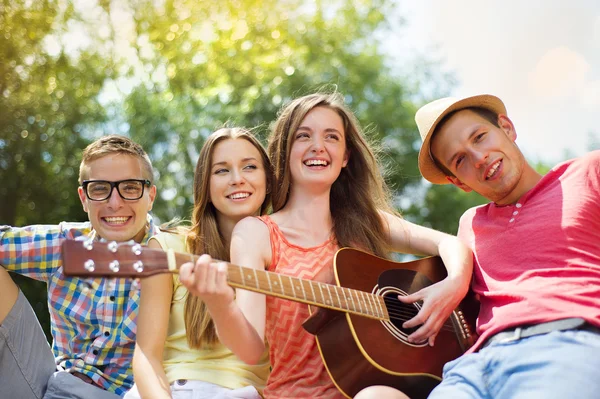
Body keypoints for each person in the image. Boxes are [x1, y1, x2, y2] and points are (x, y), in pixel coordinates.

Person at [179, 92, 473, 399]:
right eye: (303, 136)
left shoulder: (367, 222)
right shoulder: (256, 233)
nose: (318, 146)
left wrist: (453, 285)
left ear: (345, 156)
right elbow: (250, 349)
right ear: (285, 150)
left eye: (331, 137)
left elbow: (450, 244)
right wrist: (220, 303)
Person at [409, 93, 600, 398]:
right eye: (460, 160)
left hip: (567, 341)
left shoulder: (589, 171)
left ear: (507, 128)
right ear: (459, 181)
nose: (479, 157)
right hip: (470, 370)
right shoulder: (469, 224)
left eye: (480, 137)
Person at [0, 135, 158, 399]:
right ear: (84, 198)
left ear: (150, 196)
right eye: (99, 189)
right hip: (50, 382)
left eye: (130, 188)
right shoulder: (66, 244)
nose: (115, 202)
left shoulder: (172, 254)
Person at [124, 128, 272, 399]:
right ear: (205, 184)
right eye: (222, 171)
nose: (237, 180)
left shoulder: (286, 261)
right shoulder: (169, 248)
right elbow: (146, 356)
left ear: (268, 179)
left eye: (249, 167)